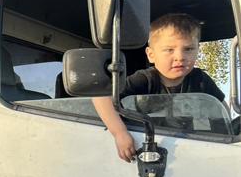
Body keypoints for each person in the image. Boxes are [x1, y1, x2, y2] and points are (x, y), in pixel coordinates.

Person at [93, 13, 225, 162]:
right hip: (146, 151)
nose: (180, 57)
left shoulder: (200, 79)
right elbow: (101, 97)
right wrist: (120, 133)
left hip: (188, 152)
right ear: (151, 55)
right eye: (169, 50)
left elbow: (221, 110)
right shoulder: (146, 79)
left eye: (188, 49)